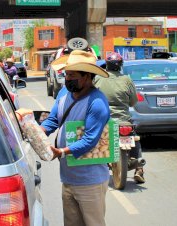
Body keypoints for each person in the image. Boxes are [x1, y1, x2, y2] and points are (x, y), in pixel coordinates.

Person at [40, 50, 110, 226]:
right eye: (66, 74)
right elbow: (54, 120)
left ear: (87, 76)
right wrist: (38, 132)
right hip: (68, 178)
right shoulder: (64, 93)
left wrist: (61, 152)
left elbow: (90, 140)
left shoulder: (97, 102)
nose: (67, 78)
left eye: (72, 75)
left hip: (90, 181)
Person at [93, 52, 146, 183]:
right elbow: (133, 102)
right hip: (123, 120)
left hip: (103, 120)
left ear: (107, 65)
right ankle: (139, 169)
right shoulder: (127, 80)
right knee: (135, 138)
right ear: (120, 65)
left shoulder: (98, 78)